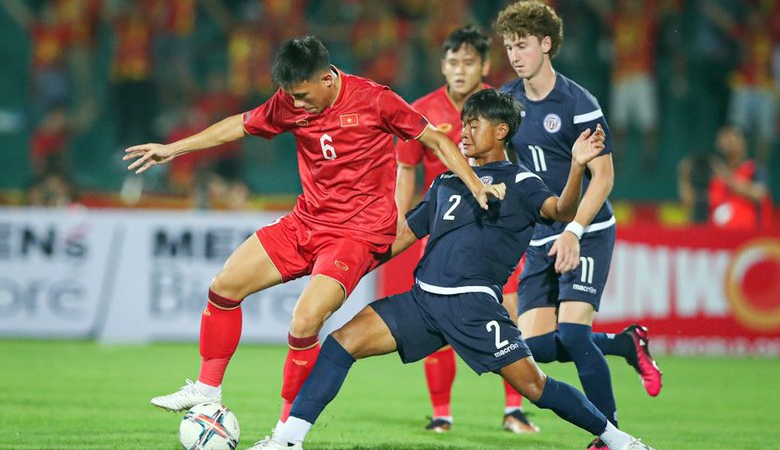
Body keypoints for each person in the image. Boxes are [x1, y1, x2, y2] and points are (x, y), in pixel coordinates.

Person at [123, 36, 502, 432]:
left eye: (303, 96)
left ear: (326, 78)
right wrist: (174, 149)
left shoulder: (375, 99)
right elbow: (240, 125)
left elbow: (437, 139)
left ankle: (287, 432)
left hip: (358, 232)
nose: (297, 104)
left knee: (303, 322)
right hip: (306, 221)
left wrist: (476, 185)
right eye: (291, 97)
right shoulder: (290, 101)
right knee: (224, 286)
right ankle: (207, 389)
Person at [248, 89, 655, 450]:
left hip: (475, 310)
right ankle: (287, 440)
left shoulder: (523, 182)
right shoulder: (447, 180)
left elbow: (562, 211)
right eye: (464, 123)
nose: (463, 132)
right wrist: (344, 264)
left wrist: (577, 168)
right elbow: (404, 234)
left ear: (500, 131)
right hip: (422, 302)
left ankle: (621, 441)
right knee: (341, 342)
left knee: (535, 387)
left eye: (474, 125)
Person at [493, 3, 663, 449]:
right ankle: (626, 346)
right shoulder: (508, 101)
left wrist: (575, 232)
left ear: (546, 44)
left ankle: (610, 436)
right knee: (531, 350)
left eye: (523, 44)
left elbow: (604, 177)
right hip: (539, 237)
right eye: (509, 46)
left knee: (572, 333)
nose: (514, 54)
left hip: (587, 231)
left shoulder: (578, 103)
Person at [394, 24, 537, 434]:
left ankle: (514, 410)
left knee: (508, 313)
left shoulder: (504, 108)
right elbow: (406, 172)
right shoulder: (420, 112)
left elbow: (520, 169)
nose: (459, 70)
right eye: (453, 62)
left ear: (484, 66)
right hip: (443, 231)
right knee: (434, 312)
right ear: (442, 65)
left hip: (496, 230)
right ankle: (442, 413)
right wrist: (399, 225)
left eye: (468, 62)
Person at [707, 126, 772, 230]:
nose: (727, 142)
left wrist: (726, 177)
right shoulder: (716, 177)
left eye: (731, 138)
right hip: (718, 236)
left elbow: (759, 194)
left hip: (747, 236)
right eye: (723, 139)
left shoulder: (754, 169)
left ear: (742, 144)